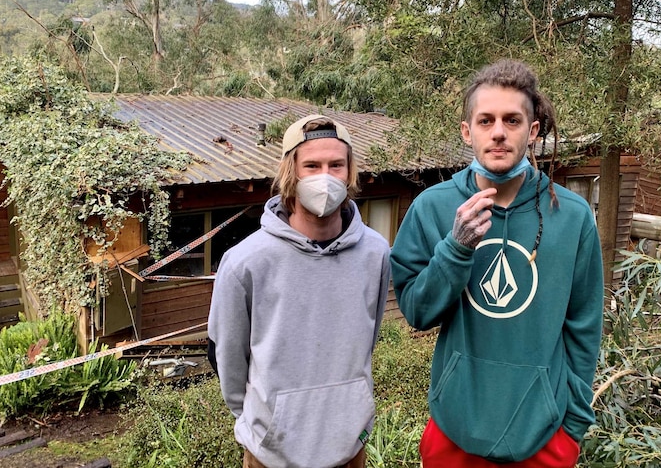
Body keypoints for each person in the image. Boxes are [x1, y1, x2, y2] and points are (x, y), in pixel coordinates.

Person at [390, 59, 604, 468]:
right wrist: (456, 248)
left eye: (512, 120)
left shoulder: (573, 216)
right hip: (454, 430)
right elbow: (417, 312)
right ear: (467, 131)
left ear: (533, 131)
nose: (499, 132)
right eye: (486, 121)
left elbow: (584, 326)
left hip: (544, 437)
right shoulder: (432, 207)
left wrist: (572, 428)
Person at [207, 114, 391, 468]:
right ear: (291, 172)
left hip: (350, 446)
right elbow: (227, 355)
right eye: (312, 165)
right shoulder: (245, 261)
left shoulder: (375, 252)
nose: (325, 176)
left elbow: (369, 336)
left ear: (350, 172)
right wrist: (264, 423)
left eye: (336, 165)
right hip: (271, 453)